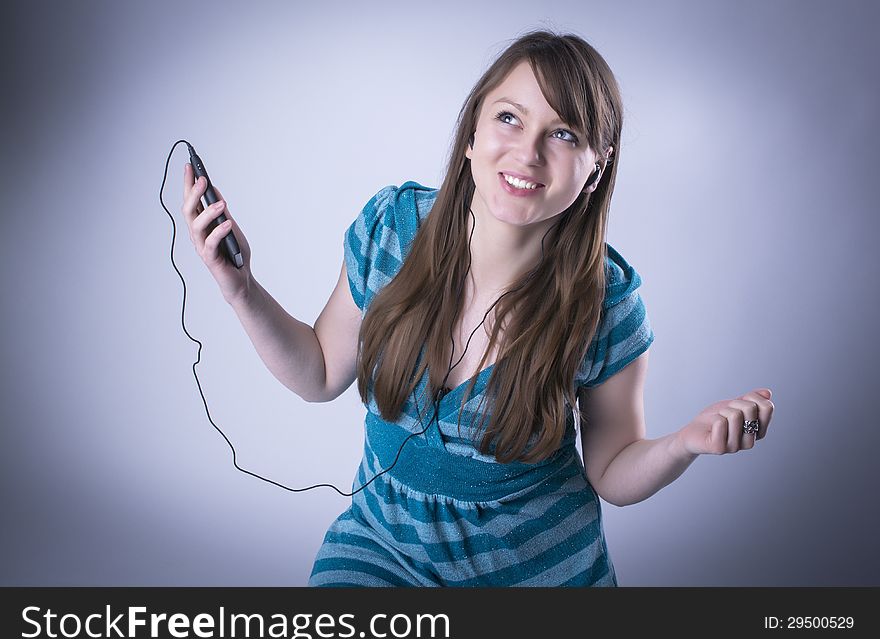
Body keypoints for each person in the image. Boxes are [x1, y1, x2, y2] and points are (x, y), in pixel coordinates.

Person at [181, 29, 775, 587]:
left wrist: (685, 443)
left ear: (596, 168)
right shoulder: (392, 230)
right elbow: (318, 373)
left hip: (537, 570)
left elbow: (612, 470)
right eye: (509, 118)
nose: (528, 152)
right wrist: (242, 290)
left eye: (564, 133)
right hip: (385, 543)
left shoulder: (606, 302)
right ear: (472, 133)